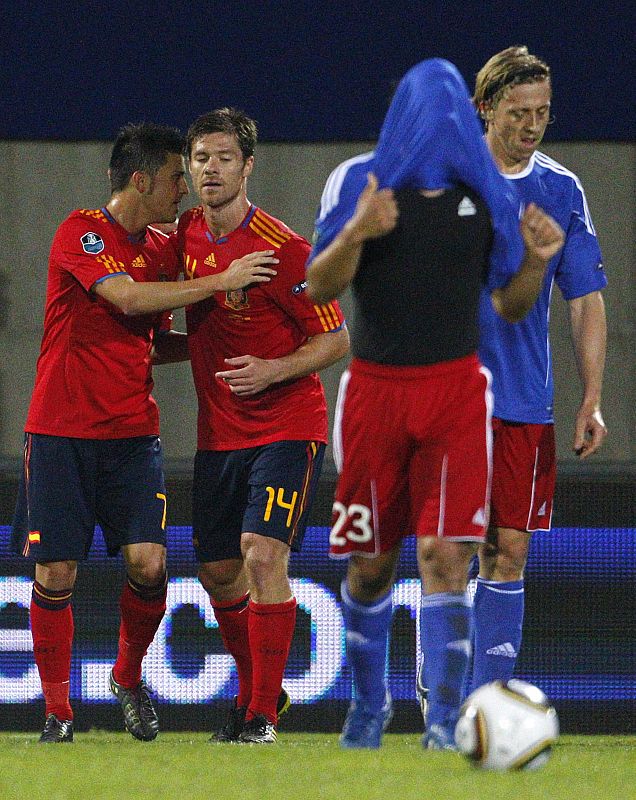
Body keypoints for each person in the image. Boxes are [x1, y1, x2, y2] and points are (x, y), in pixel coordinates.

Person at [305, 58, 565, 750]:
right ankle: (368, 705)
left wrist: (536, 262)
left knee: (447, 558)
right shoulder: (361, 183)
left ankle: (445, 722)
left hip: (456, 396)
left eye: (452, 109)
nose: (443, 122)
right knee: (370, 564)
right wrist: (357, 232)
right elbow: (317, 287)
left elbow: (509, 305)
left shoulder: (485, 196)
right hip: (375, 396)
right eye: (431, 108)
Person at [11, 122, 278, 743]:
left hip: (133, 434)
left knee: (150, 564)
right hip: (60, 431)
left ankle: (126, 677)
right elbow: (127, 300)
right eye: (175, 178)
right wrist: (221, 282)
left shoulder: (161, 249)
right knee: (56, 571)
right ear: (141, 180)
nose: (183, 189)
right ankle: (58, 713)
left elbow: (153, 339)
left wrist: (218, 344)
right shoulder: (81, 231)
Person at [176, 108, 349, 744]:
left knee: (262, 553)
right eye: (201, 158)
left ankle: (259, 718)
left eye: (224, 158)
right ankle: (263, 690)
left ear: (248, 166)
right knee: (220, 572)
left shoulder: (283, 248)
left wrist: (273, 369)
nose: (211, 169)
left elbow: (336, 339)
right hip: (218, 433)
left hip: (286, 425)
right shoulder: (183, 236)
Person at [462, 46, 608, 696]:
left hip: (523, 399)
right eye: (519, 111)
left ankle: (486, 702)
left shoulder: (561, 189)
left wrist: (591, 397)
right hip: (448, 393)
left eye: (543, 112)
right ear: (486, 108)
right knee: (449, 549)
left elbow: (585, 299)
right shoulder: (448, 177)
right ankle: (444, 680)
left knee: (510, 549)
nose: (532, 125)